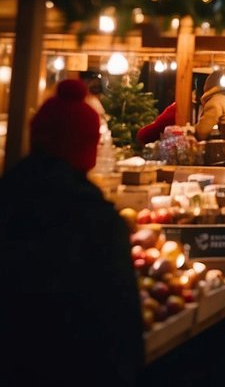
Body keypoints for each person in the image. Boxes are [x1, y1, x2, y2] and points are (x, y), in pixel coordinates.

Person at [0, 79, 143, 386]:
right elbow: (120, 326)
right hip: (76, 367)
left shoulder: (8, 197)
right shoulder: (97, 220)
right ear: (88, 150)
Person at [196, 69, 225, 139]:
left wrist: (190, 131)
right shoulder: (224, 100)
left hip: (219, 146)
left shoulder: (214, 102)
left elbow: (202, 132)